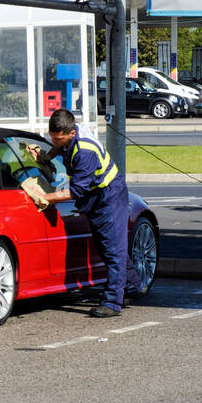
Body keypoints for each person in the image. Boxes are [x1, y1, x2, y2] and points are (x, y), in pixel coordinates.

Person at [32, 108, 138, 318]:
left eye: (58, 138)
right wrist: (46, 157)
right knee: (110, 245)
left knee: (112, 248)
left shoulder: (85, 153)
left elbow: (77, 190)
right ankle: (131, 287)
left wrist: (44, 197)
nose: (54, 141)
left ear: (71, 133)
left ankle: (112, 303)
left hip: (109, 195)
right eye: (52, 137)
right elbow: (60, 148)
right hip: (98, 196)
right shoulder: (70, 133)